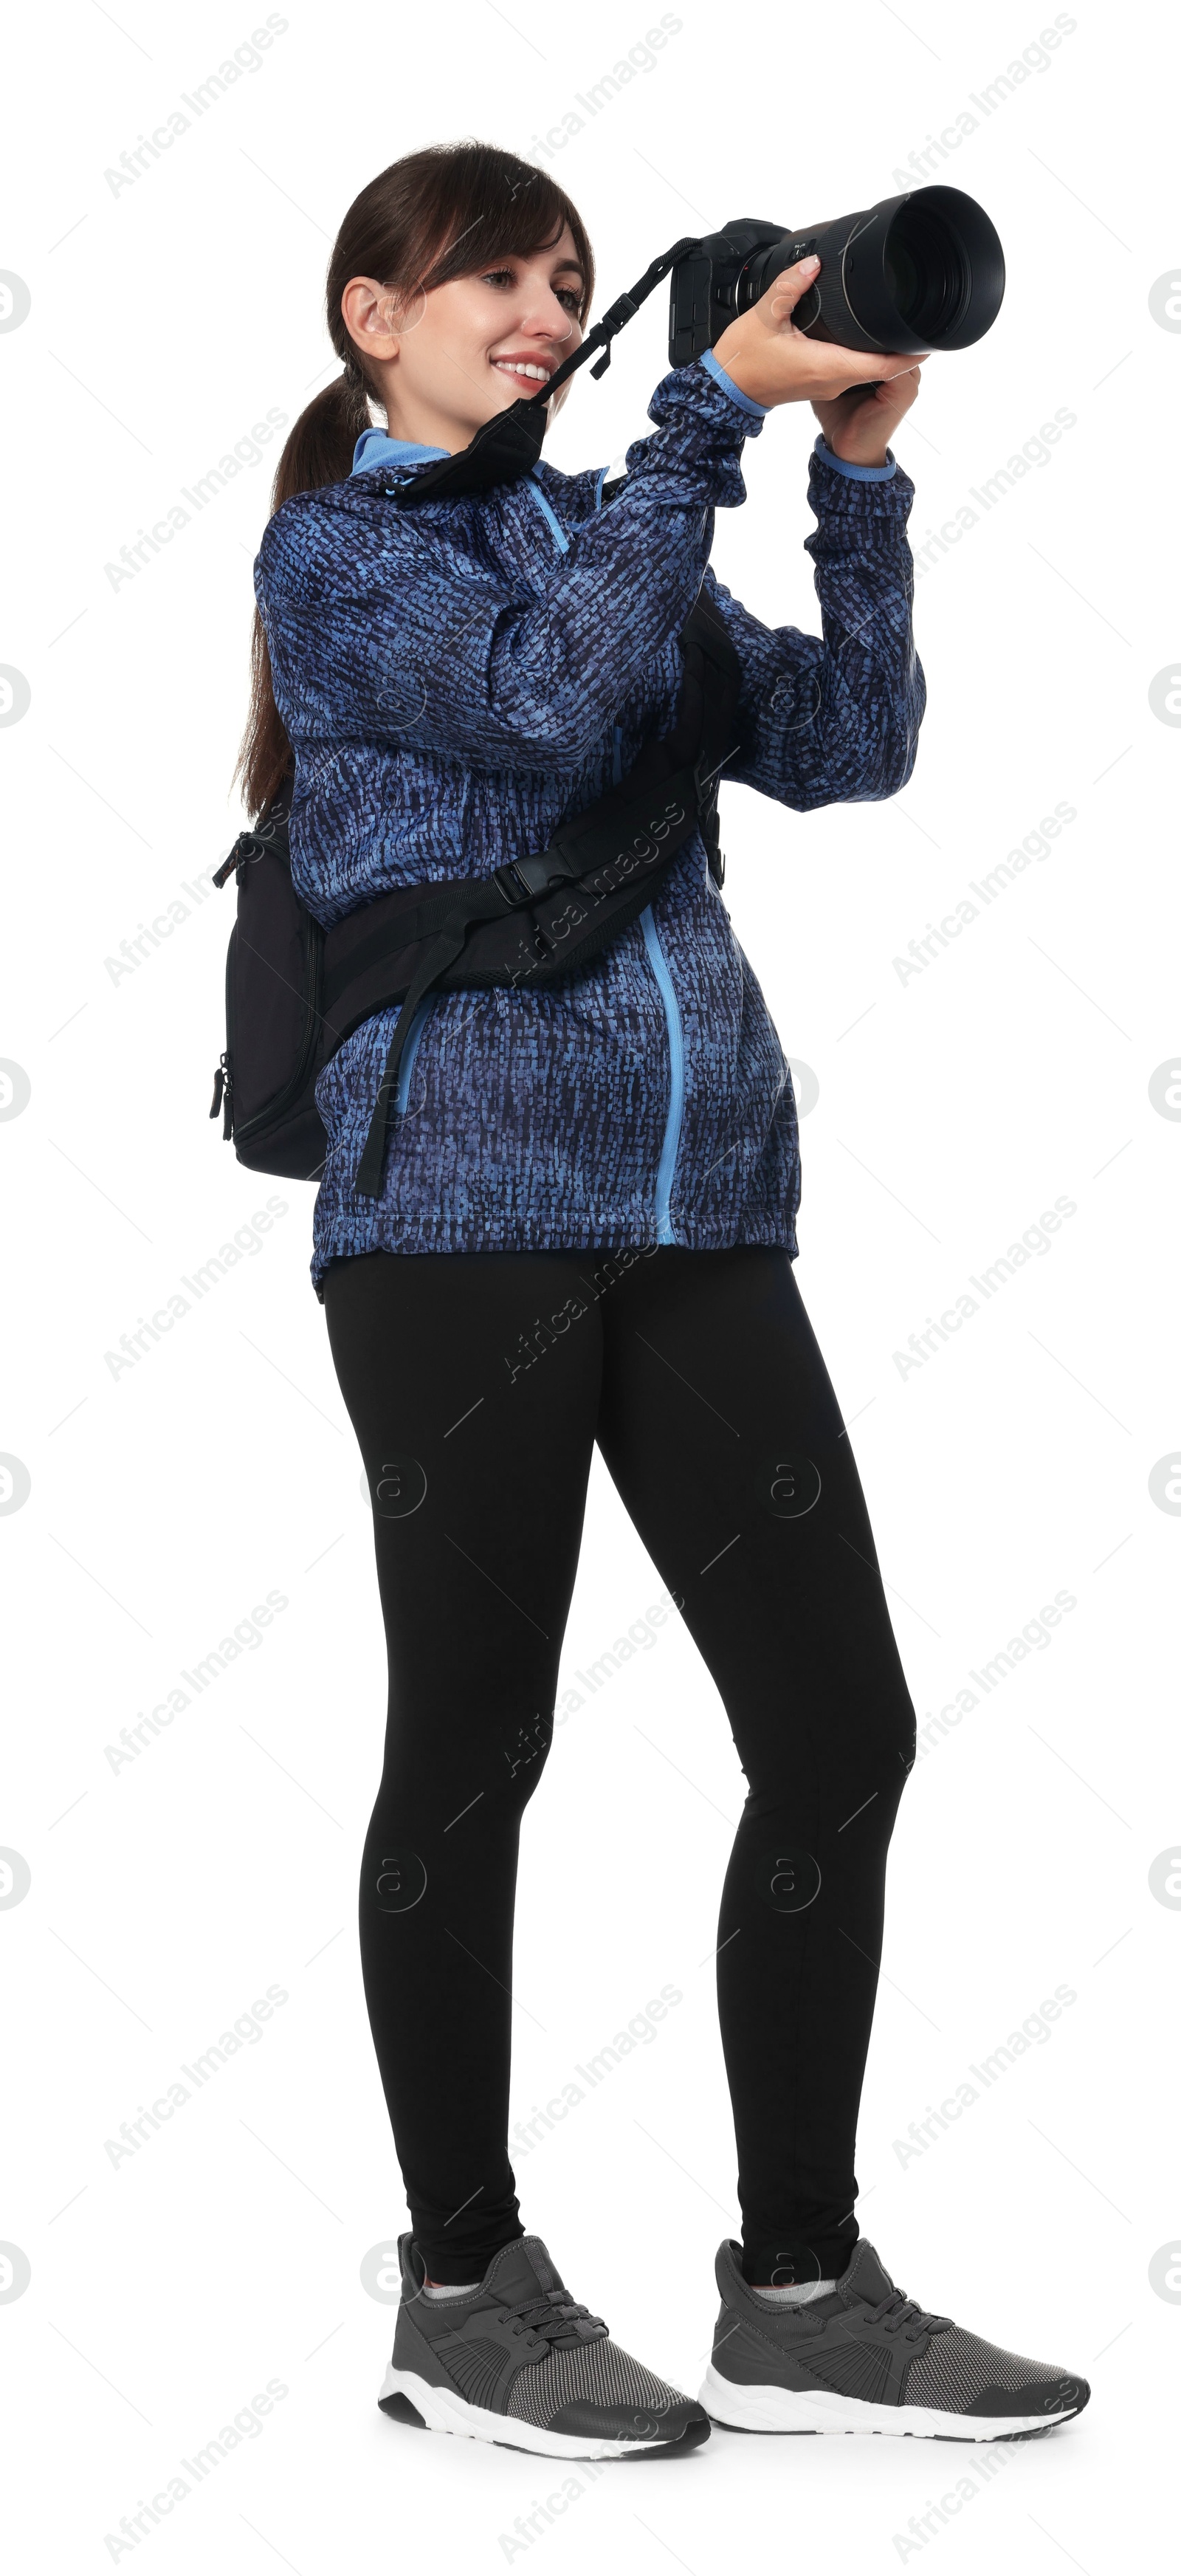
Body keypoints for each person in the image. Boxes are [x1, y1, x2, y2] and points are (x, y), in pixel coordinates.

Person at [242, 139, 1089, 2459]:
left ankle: (798, 2284)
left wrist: (855, 476)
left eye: (567, 279)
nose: (539, 307)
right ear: (369, 321)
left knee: (844, 1729)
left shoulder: (592, 532)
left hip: (704, 1208)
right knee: (477, 1747)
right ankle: (461, 2284)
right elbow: (538, 707)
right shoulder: (337, 558)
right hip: (456, 1228)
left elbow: (846, 743)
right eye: (493, 278)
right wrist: (692, 427)